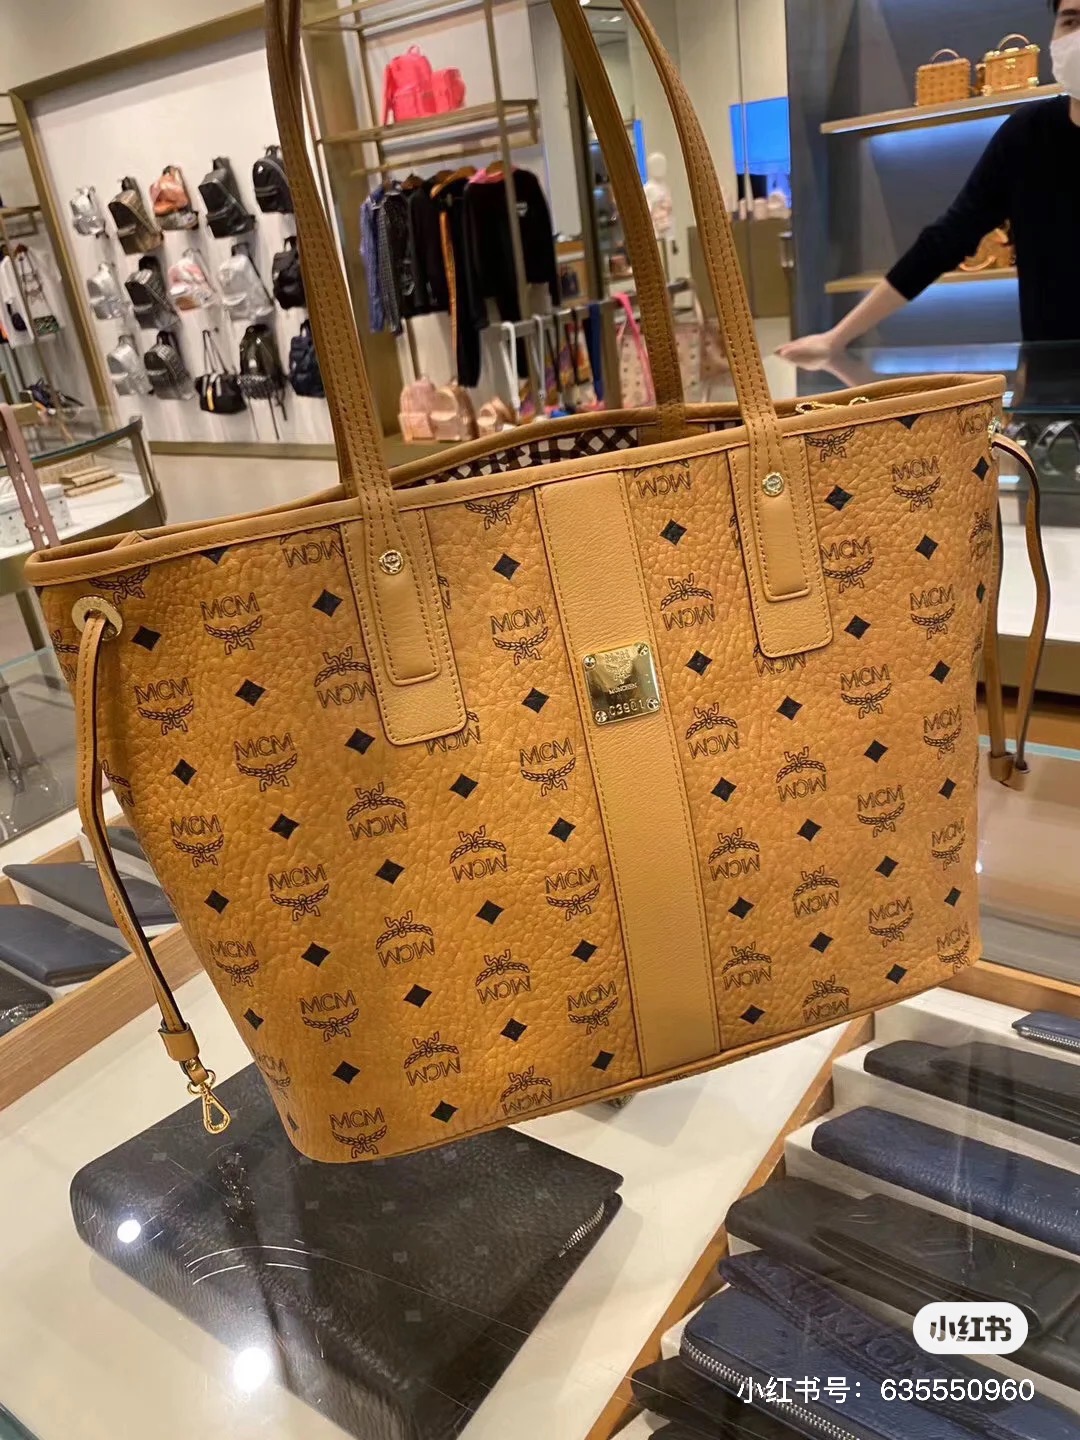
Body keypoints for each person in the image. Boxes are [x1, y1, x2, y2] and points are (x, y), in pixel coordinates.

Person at [779, 0, 1080, 363]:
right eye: (1071, 21)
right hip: (1050, 378)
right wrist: (835, 339)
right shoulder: (1027, 135)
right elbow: (946, 239)